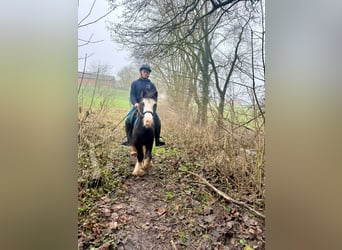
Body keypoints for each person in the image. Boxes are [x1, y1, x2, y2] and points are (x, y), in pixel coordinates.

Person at [121, 64, 165, 146]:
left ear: (149, 74)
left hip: (148, 107)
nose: (146, 73)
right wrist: (135, 103)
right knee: (128, 120)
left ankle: (157, 139)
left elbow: (155, 96)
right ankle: (129, 139)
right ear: (141, 72)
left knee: (158, 120)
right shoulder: (135, 83)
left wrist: (152, 105)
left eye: (147, 72)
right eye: (144, 72)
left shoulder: (152, 85)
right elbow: (132, 95)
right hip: (137, 106)